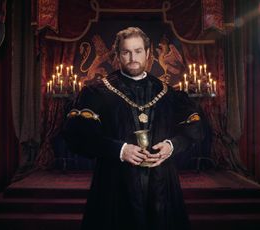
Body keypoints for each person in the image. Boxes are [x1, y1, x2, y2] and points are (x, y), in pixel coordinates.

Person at [63, 27, 204, 230]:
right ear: (118, 55)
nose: (133, 57)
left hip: (161, 184)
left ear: (148, 54)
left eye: (138, 51)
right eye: (126, 52)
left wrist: (171, 145)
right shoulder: (97, 92)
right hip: (115, 184)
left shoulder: (167, 93)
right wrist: (119, 150)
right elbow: (76, 134)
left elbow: (196, 127)